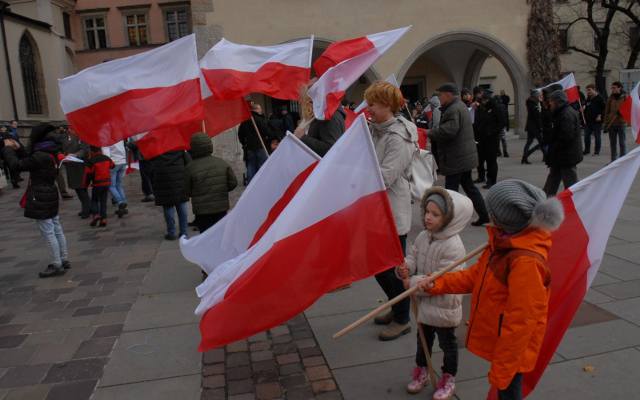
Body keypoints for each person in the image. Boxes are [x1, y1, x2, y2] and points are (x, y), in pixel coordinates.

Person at [420, 179, 564, 400]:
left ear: (505, 219)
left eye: (492, 213)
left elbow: (521, 322)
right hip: (502, 344)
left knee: (508, 392)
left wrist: (503, 368)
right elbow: (475, 276)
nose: (490, 218)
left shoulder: (524, 261)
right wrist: (438, 283)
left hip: (512, 353)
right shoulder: (503, 244)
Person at [397, 188, 473, 399]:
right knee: (423, 339)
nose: (428, 217)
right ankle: (422, 369)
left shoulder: (453, 246)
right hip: (423, 304)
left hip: (443, 306)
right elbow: (413, 257)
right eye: (427, 212)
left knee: (447, 344)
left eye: (435, 214)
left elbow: (438, 281)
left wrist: (410, 283)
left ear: (450, 219)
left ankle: (448, 377)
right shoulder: (423, 236)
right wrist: (406, 268)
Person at [365, 80, 417, 341]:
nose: (369, 108)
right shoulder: (377, 130)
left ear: (386, 105)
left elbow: (385, 176)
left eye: (372, 103)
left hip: (392, 212)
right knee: (378, 266)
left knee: (393, 269)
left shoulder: (398, 137)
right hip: (377, 211)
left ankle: (402, 318)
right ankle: (396, 305)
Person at [3, 124, 70, 278]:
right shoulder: (51, 151)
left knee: (48, 231)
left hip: (40, 194)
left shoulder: (40, 155)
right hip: (50, 192)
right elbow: (29, 158)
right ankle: (63, 258)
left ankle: (57, 264)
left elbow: (16, 165)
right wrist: (18, 147)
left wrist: (7, 149)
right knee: (56, 227)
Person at [430, 83, 490, 226]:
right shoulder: (459, 106)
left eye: (441, 94)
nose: (439, 97)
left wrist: (429, 132)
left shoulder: (453, 109)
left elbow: (448, 131)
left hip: (456, 158)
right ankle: (484, 214)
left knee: (450, 191)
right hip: (462, 156)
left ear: (448, 95)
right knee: (469, 186)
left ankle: (449, 220)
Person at [185, 133, 238, 233]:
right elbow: (233, 183)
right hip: (221, 207)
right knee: (220, 233)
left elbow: (186, 190)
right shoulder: (221, 163)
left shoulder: (190, 168)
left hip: (202, 210)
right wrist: (221, 188)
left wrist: (197, 193)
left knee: (206, 235)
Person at [543, 90, 583, 196]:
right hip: (561, 155)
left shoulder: (566, 114)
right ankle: (544, 199)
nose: (549, 104)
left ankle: (574, 202)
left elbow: (566, 136)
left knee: (571, 184)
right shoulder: (561, 112)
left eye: (551, 101)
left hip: (566, 155)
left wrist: (553, 148)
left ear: (557, 101)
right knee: (553, 178)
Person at [149, 150, 191, 240]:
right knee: (182, 206)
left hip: (163, 183)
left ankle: (171, 232)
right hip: (180, 181)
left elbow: (152, 169)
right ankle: (184, 233)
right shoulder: (179, 149)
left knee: (168, 207)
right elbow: (189, 164)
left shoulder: (156, 151)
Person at [295, 82, 346, 157]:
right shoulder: (322, 114)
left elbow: (330, 149)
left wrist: (303, 137)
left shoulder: (330, 116)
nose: (301, 103)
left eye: (310, 100)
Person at [475, 92, 504, 189]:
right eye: (482, 100)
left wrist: (491, 132)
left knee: (491, 161)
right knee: (483, 159)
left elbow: (500, 123)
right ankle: (486, 178)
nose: (483, 102)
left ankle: (492, 180)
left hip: (492, 139)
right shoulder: (484, 108)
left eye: (485, 100)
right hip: (483, 139)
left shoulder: (496, 108)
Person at [238, 103, 272, 183]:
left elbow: (240, 134)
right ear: (256, 109)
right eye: (260, 109)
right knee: (263, 166)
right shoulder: (259, 119)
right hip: (260, 146)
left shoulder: (244, 121)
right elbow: (267, 131)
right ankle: (263, 182)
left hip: (249, 147)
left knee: (251, 166)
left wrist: (244, 143)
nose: (261, 110)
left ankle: (251, 183)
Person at [62, 127, 91, 218]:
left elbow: (84, 149)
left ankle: (87, 209)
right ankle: (85, 208)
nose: (70, 130)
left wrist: (76, 155)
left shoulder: (82, 137)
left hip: (80, 167)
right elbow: (63, 149)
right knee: (78, 189)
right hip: (70, 166)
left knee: (82, 189)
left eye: (72, 128)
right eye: (70, 129)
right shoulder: (66, 137)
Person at [85, 146, 114, 227]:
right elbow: (112, 166)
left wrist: (86, 184)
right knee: (103, 202)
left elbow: (88, 174)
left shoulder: (91, 161)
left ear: (92, 152)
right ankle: (104, 219)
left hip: (97, 184)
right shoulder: (106, 158)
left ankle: (96, 215)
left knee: (94, 200)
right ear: (100, 150)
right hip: (106, 183)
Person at [102, 140, 128, 217]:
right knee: (119, 185)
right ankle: (124, 201)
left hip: (114, 163)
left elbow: (106, 154)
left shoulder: (107, 138)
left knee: (111, 185)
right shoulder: (119, 136)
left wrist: (107, 164)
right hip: (122, 161)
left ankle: (120, 202)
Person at [604, 81, 627, 161]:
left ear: (619, 88)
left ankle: (623, 159)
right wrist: (605, 123)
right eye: (612, 88)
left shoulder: (625, 97)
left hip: (621, 123)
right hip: (611, 123)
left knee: (622, 143)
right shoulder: (611, 98)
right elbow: (607, 110)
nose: (612, 89)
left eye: (614, 88)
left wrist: (622, 112)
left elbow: (629, 110)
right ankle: (613, 160)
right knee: (613, 144)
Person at [126, 138, 154, 202]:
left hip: (143, 156)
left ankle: (149, 194)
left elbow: (134, 144)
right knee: (151, 174)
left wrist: (127, 144)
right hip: (150, 154)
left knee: (145, 176)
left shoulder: (139, 133)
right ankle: (152, 192)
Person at [522, 90, 545, 164]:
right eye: (538, 95)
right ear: (534, 95)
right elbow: (537, 116)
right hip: (534, 126)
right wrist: (540, 126)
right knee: (540, 142)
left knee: (531, 142)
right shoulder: (532, 103)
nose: (539, 96)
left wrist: (540, 102)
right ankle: (525, 156)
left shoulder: (534, 102)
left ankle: (524, 157)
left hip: (532, 126)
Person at [583, 84, 606, 156]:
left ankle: (596, 152)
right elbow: (586, 105)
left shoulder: (600, 98)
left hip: (597, 121)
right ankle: (587, 150)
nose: (588, 92)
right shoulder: (588, 98)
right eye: (587, 90)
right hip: (588, 121)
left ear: (594, 89)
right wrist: (583, 108)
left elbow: (604, 109)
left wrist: (600, 115)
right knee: (586, 136)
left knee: (597, 136)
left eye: (589, 90)